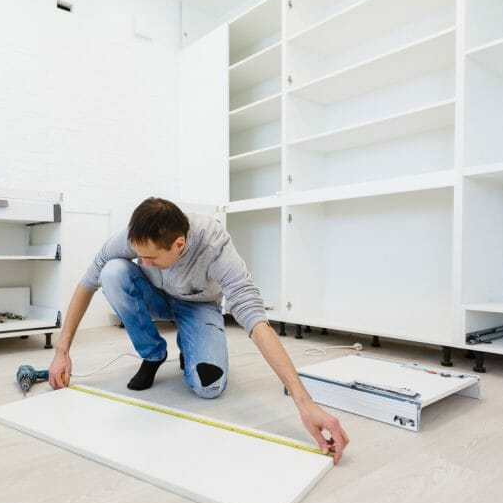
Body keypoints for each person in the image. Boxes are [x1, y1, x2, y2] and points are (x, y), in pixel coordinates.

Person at [48, 197, 348, 463]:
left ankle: (190, 346)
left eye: (151, 258)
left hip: (198, 306)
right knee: (112, 272)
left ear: (179, 244)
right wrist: (62, 351)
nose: (143, 261)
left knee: (210, 387)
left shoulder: (214, 244)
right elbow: (86, 285)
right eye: (140, 256)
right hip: (155, 296)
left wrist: (304, 402)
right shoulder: (134, 238)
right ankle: (153, 355)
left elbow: (254, 317)